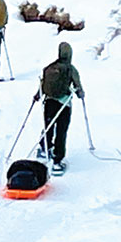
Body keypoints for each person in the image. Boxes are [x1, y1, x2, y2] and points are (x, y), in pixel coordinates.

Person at [33, 41, 85, 174]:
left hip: (49, 102)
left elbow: (43, 84)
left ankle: (44, 149)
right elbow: (78, 87)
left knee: (48, 126)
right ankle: (57, 161)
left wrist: (37, 96)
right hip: (64, 105)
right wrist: (80, 93)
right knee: (61, 131)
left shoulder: (50, 67)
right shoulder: (71, 69)